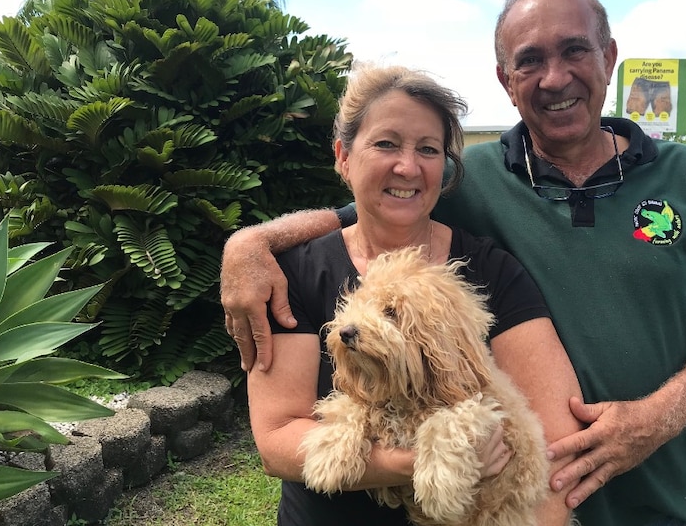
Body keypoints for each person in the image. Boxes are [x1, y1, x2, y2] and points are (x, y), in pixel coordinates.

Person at [222, 0, 686, 526]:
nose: (555, 78)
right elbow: (378, 207)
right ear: (506, 80)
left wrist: (654, 420)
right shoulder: (476, 179)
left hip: (654, 495)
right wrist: (252, 241)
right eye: (530, 60)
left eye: (575, 50)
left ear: (608, 56)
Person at [243, 63, 583, 526]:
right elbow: (277, 441)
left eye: (428, 149)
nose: (408, 166)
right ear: (343, 156)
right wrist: (415, 462)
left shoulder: (491, 271)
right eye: (386, 143)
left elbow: (556, 445)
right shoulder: (294, 273)